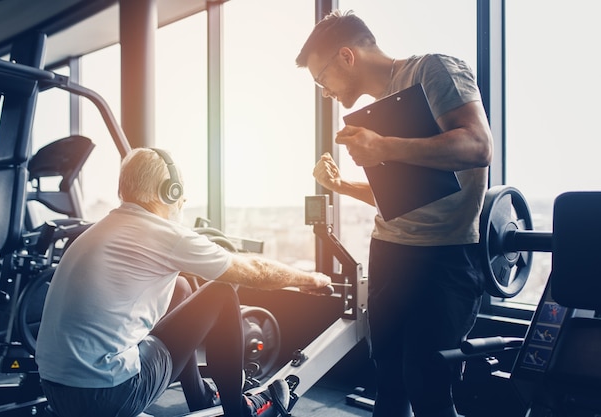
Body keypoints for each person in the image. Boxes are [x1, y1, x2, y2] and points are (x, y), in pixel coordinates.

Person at [296, 10, 493, 417]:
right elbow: (406, 196)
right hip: (388, 251)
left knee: (428, 386)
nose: (324, 91)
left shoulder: (433, 71)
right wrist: (341, 186)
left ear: (347, 57)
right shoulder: (379, 111)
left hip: (444, 258)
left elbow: (478, 146)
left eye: (321, 79)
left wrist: (384, 147)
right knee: (388, 382)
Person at [35, 147, 332, 417]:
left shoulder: (100, 229)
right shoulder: (161, 233)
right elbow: (256, 271)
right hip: (108, 395)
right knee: (222, 293)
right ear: (170, 191)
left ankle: (200, 395)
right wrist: (310, 279)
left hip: (57, 391)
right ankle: (238, 410)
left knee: (181, 289)